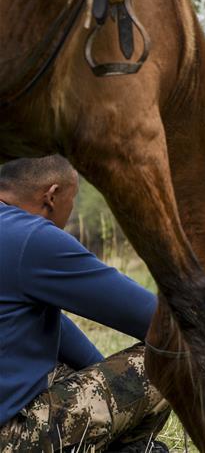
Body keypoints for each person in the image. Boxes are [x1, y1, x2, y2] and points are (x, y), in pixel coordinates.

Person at [0, 156, 170, 452]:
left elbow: (57, 331)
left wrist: (109, 386)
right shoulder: (31, 237)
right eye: (72, 199)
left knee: (60, 362)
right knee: (176, 352)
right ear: (51, 196)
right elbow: (155, 319)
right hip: (10, 439)